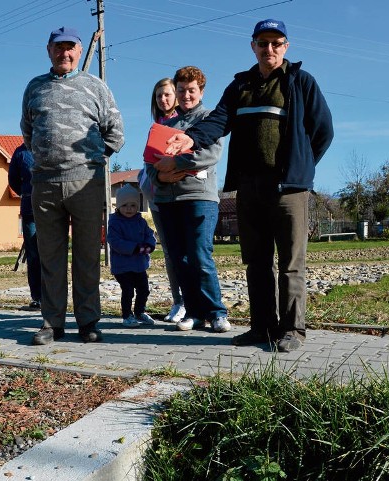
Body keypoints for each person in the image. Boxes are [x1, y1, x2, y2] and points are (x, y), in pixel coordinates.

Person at [165, 19, 334, 351]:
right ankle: (262, 327)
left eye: (275, 42)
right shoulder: (240, 85)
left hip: (289, 189)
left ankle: (292, 330)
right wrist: (190, 137)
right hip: (249, 188)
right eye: (262, 42)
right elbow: (217, 121)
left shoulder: (300, 82)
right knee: (256, 261)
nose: (268, 49)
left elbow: (323, 129)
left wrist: (302, 166)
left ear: (285, 46)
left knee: (290, 262)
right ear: (253, 46)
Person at [21, 27, 125, 345]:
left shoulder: (96, 87)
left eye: (70, 48)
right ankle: (52, 323)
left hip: (87, 185)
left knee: (86, 256)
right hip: (46, 184)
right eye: (58, 47)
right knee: (49, 257)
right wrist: (47, 158)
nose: (64, 53)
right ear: (48, 50)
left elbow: (116, 132)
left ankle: (88, 322)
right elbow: (27, 131)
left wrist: (94, 160)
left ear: (79, 52)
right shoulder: (35, 87)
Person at [147, 66, 231, 334]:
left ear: (201, 91)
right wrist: (161, 178)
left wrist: (175, 163)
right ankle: (194, 313)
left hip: (199, 197)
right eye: (181, 90)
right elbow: (150, 163)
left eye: (191, 90)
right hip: (169, 200)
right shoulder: (164, 125)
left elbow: (210, 154)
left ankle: (217, 312)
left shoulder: (209, 119)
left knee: (200, 256)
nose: (185, 95)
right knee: (179, 259)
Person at [139, 78, 185, 324]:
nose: (163, 100)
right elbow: (149, 160)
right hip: (158, 196)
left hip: (183, 193)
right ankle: (178, 301)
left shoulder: (185, 123)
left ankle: (194, 302)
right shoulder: (155, 126)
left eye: (167, 94)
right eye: (159, 96)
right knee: (169, 251)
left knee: (189, 250)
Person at [107, 184, 157, 327]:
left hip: (139, 264)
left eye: (133, 205)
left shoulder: (140, 221)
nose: (129, 209)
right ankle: (127, 315)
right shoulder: (115, 222)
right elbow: (115, 241)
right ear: (118, 206)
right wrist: (134, 248)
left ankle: (139, 311)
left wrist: (150, 244)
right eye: (125, 205)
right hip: (122, 266)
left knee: (144, 289)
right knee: (128, 290)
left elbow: (149, 234)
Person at [8, 144, 42, 309]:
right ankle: (37, 296)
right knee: (34, 256)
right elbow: (13, 180)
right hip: (30, 211)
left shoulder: (52, 145)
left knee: (53, 254)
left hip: (54, 211)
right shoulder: (21, 152)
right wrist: (27, 194)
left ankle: (55, 295)